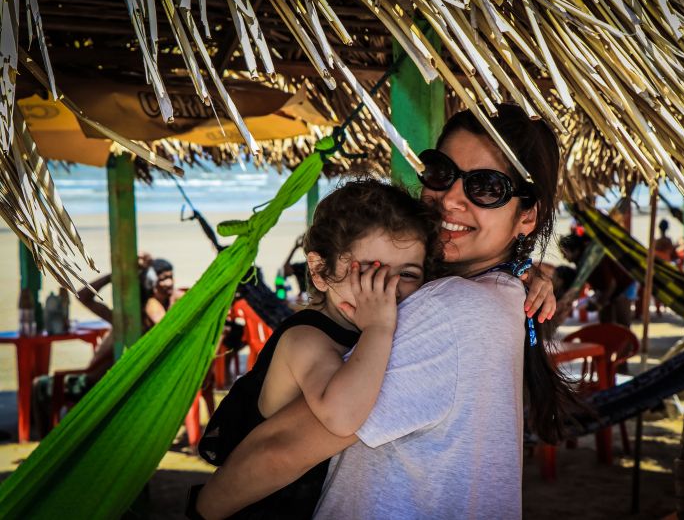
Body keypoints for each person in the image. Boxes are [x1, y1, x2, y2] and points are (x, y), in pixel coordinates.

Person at [193, 104, 570, 519]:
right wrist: (523, 269)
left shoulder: (448, 310)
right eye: (442, 172)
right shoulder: (495, 296)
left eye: (486, 187)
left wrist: (204, 508)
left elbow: (284, 449)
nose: (451, 199)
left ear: (528, 214)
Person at [198, 180, 441, 519]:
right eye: (371, 272)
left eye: (409, 273)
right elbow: (341, 417)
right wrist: (378, 327)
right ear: (320, 271)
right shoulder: (305, 340)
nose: (389, 289)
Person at [31, 255, 176, 437]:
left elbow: (84, 296)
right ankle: (53, 436)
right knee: (43, 386)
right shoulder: (131, 319)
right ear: (150, 283)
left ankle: (44, 437)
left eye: (171, 277)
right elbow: (83, 295)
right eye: (163, 278)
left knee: (40, 384)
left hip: (101, 384)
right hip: (105, 381)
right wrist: (114, 275)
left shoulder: (135, 319)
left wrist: (113, 276)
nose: (169, 283)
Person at [560, 233, 634, 327]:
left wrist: (599, 304)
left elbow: (611, 284)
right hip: (608, 289)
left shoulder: (593, 259)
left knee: (623, 325)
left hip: (623, 286)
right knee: (606, 324)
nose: (563, 257)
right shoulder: (584, 261)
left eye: (564, 253)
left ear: (575, 250)